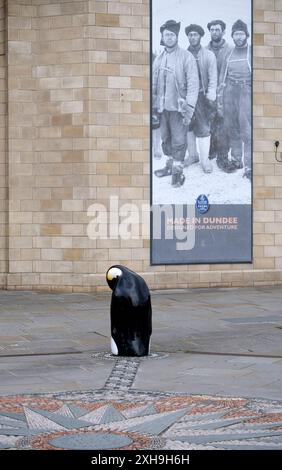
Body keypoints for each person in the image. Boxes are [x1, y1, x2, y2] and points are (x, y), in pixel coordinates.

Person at [152, 20, 199, 187]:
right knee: (166, 138)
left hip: (179, 108)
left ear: (177, 36)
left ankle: (178, 172)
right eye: (167, 35)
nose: (169, 37)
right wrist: (153, 105)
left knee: (179, 140)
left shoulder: (186, 57)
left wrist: (190, 107)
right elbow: (154, 84)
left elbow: (193, 84)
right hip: (162, 107)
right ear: (162, 37)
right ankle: (170, 165)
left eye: (172, 34)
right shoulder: (158, 59)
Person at [217, 19, 252, 180]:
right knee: (233, 127)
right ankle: (237, 159)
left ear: (246, 35)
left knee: (246, 129)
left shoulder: (251, 52)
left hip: (246, 91)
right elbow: (222, 77)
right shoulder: (228, 53)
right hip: (230, 91)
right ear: (232, 36)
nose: (239, 37)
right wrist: (220, 97)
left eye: (241, 34)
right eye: (236, 34)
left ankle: (250, 165)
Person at [184, 24, 217, 173]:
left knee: (203, 128)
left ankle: (205, 161)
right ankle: (193, 155)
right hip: (187, 97)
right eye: (190, 35)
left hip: (202, 96)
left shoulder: (208, 55)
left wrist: (211, 94)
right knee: (188, 126)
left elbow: (213, 76)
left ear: (200, 36)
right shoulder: (183, 55)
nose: (192, 37)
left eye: (195, 35)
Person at [206, 20, 236, 172]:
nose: (215, 32)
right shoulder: (205, 50)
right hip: (209, 93)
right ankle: (211, 150)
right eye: (212, 30)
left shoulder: (231, 49)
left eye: (218, 29)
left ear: (223, 32)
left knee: (224, 123)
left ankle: (223, 157)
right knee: (210, 121)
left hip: (226, 92)